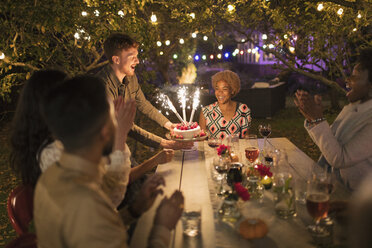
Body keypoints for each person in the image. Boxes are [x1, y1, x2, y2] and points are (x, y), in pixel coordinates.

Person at [35, 74, 184, 247]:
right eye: (114, 115)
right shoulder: (86, 201)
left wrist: (135, 209)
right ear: (104, 131)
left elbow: (94, 229)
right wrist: (163, 227)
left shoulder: (53, 174)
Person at [9, 69, 172, 207]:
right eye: (70, 94)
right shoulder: (52, 154)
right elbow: (110, 196)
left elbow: (107, 174)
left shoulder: (70, 140)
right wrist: (120, 133)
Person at [96, 33, 192, 150]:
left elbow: (143, 103)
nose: (137, 61)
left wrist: (168, 124)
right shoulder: (102, 86)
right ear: (116, 59)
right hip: (100, 149)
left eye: (137, 56)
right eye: (132, 57)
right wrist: (163, 143)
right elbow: (127, 126)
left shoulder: (130, 77)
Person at [294, 48, 372, 190]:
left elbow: (340, 158)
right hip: (332, 187)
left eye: (355, 78)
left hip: (355, 201)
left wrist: (318, 119)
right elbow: (330, 144)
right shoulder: (353, 108)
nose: (348, 81)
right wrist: (311, 117)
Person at [199, 70, 251, 139]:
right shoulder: (206, 111)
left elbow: (246, 140)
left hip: (236, 149)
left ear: (232, 90)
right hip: (213, 149)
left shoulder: (243, 110)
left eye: (224, 89)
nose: (220, 92)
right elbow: (201, 142)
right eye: (217, 88)